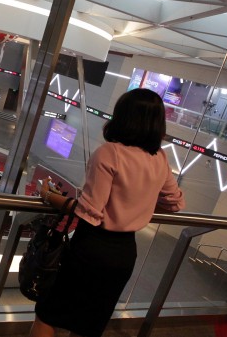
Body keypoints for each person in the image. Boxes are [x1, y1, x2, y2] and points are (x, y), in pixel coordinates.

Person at [30, 88, 185, 337]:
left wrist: (48, 195)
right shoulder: (159, 157)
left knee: (48, 314)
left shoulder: (110, 153)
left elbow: (88, 211)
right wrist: (139, 206)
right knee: (88, 325)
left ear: (123, 117)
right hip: (124, 254)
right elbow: (174, 203)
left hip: (91, 248)